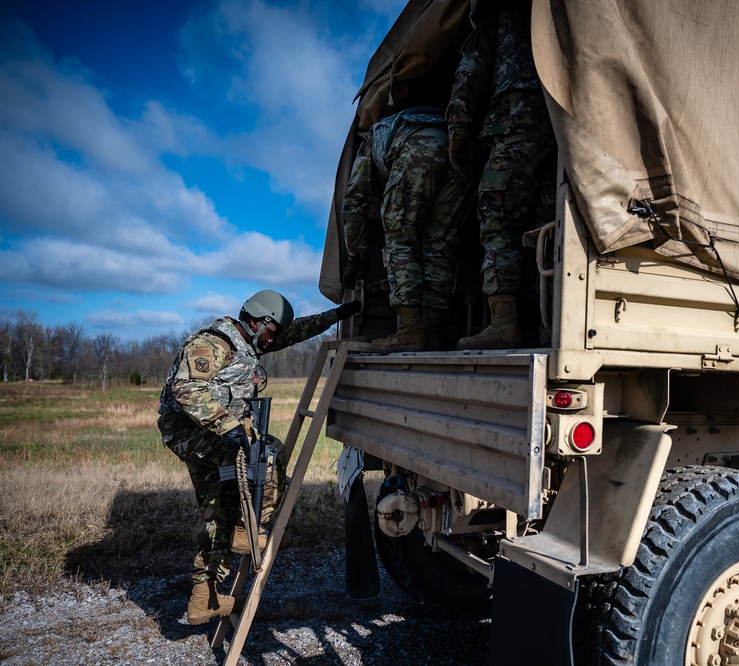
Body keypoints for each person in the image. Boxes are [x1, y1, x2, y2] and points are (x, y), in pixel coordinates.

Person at [157, 289, 361, 624]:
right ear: (256, 321)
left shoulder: (252, 342)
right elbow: (187, 390)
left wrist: (338, 315)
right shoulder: (214, 343)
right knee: (267, 454)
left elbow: (297, 330)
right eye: (272, 332)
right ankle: (250, 530)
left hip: (210, 433)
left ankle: (202, 598)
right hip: (190, 432)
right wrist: (227, 425)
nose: (274, 340)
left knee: (217, 510)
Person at [447, 0, 556, 350]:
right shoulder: (563, 16)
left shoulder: (501, 17)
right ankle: (551, 328)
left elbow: (468, 77)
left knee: (498, 220)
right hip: (561, 132)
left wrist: (458, 136)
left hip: (514, 122)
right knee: (546, 234)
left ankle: (505, 323)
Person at [342, 106, 473, 353]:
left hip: (419, 149)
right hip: (461, 147)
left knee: (400, 238)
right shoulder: (420, 120)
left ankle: (411, 330)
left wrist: (353, 253)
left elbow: (355, 200)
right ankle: (431, 332)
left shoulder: (371, 140)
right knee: (440, 243)